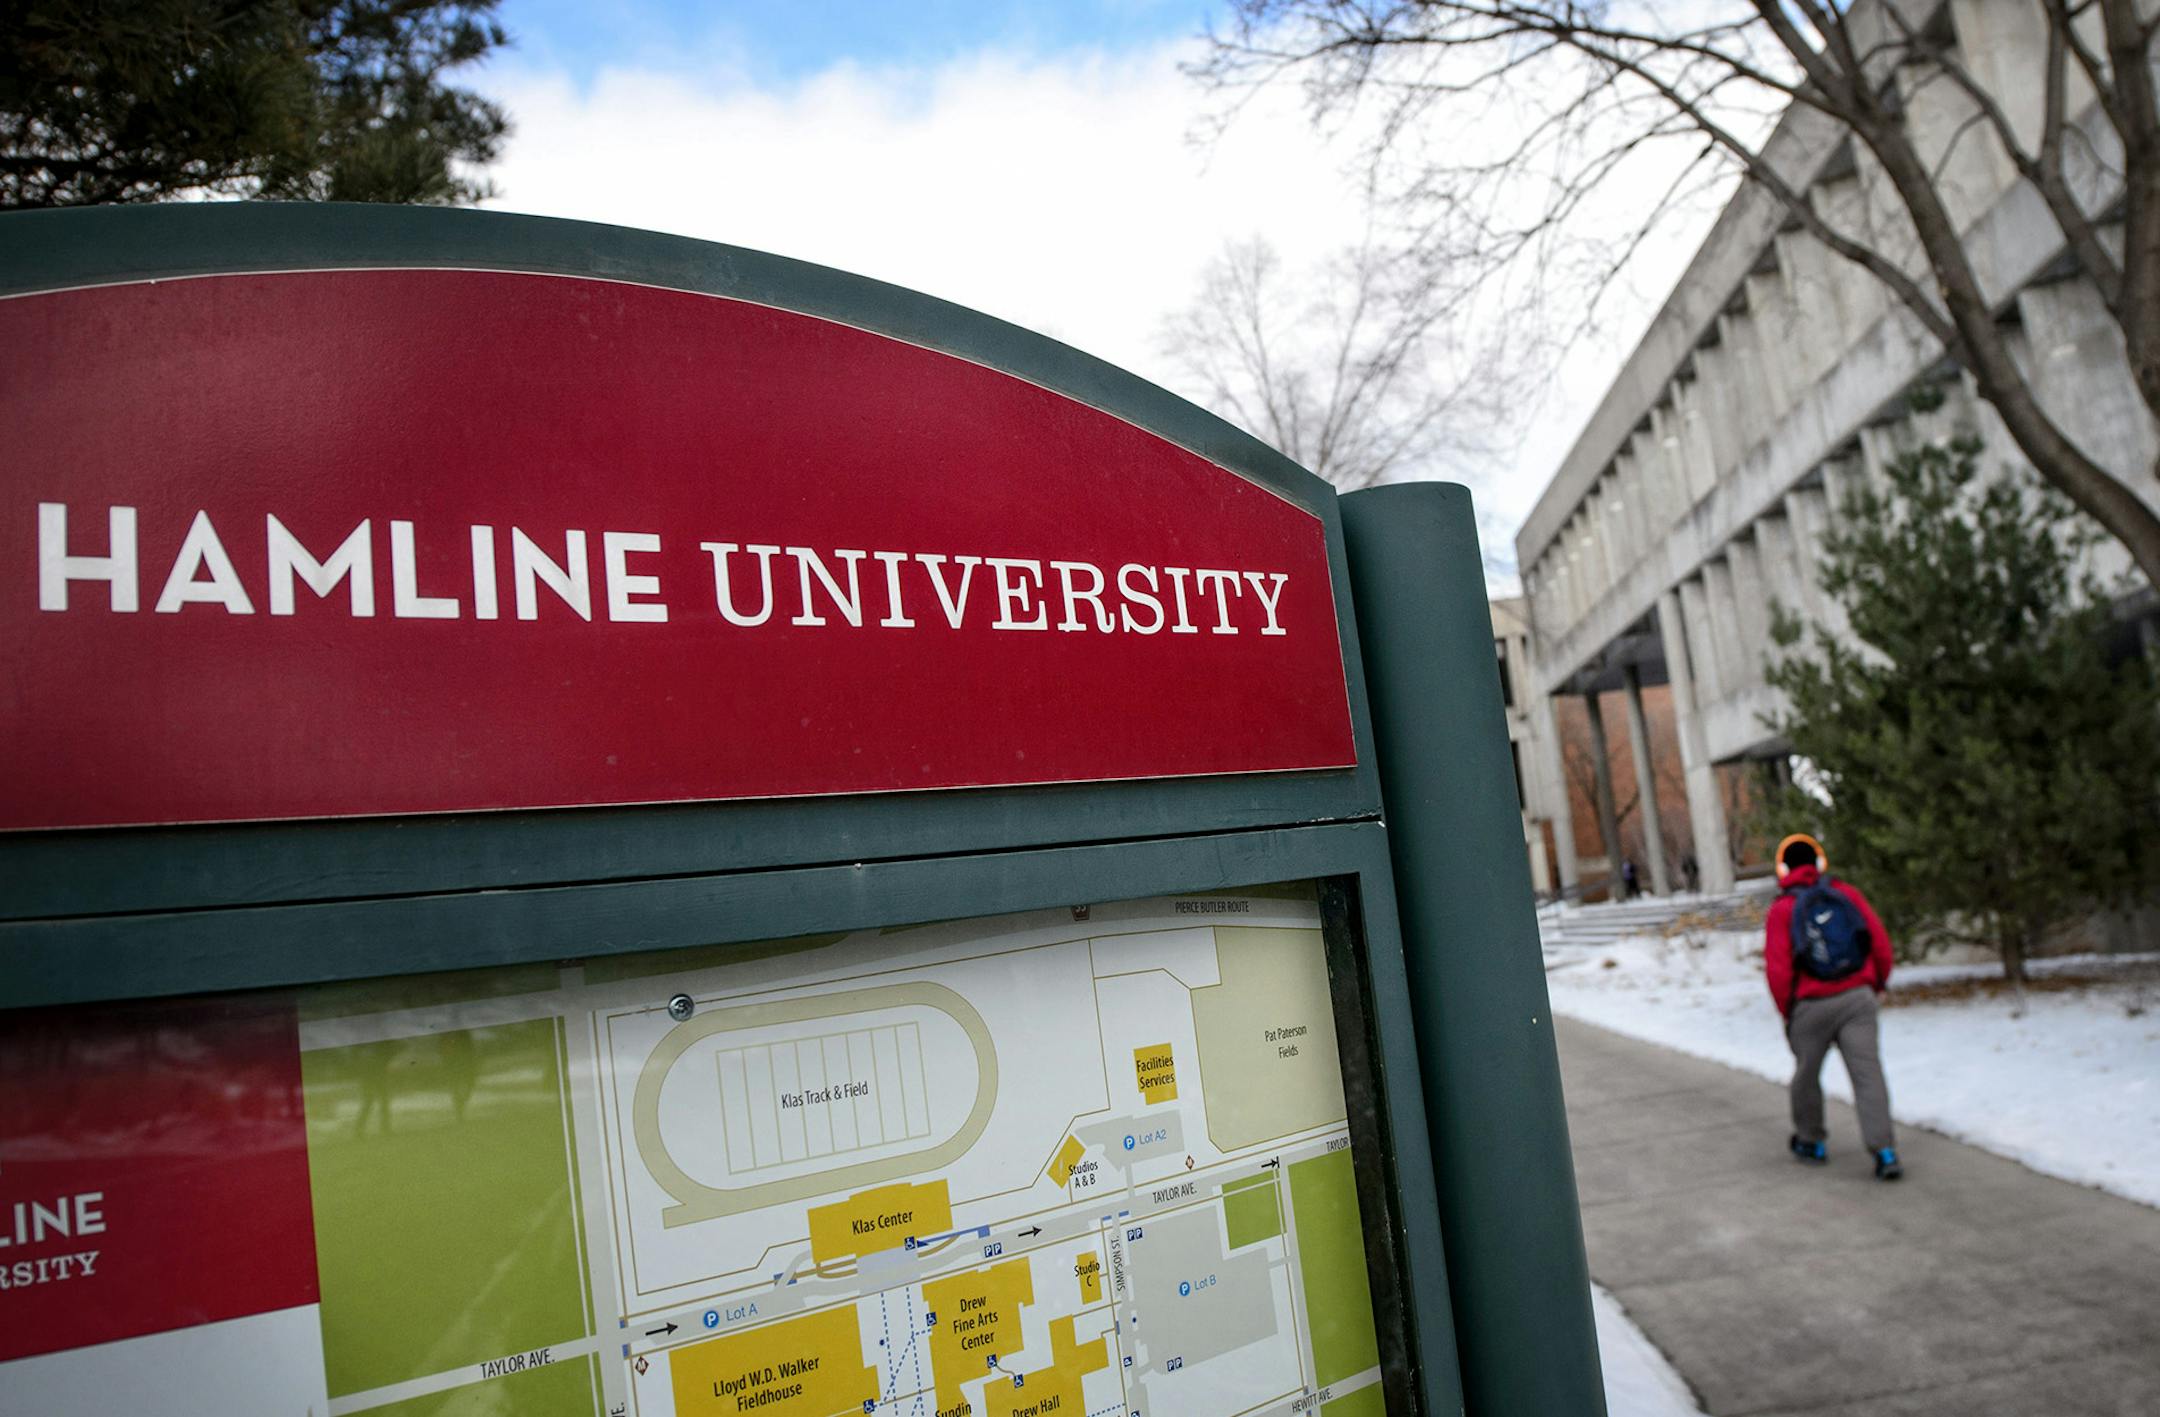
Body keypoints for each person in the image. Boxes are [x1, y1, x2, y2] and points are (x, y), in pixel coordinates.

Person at [1766, 834, 1902, 1179]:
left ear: (1783, 868)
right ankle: (1884, 1151)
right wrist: (1877, 983)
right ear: (1820, 861)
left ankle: (1811, 1141)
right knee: (1868, 1074)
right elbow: (1879, 942)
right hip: (1858, 999)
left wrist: (1788, 1011)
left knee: (1806, 1075)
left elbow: (1778, 969)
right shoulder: (1846, 894)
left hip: (1811, 1006)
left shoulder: (1783, 909)